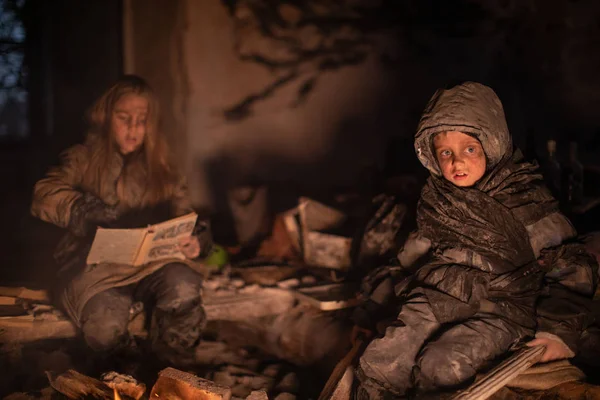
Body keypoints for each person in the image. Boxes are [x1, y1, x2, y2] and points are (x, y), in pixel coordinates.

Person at [354, 82, 598, 398]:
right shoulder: (439, 201)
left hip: (504, 307)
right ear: (431, 156)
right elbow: (412, 253)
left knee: (442, 365)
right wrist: (372, 304)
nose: (457, 163)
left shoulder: (525, 202)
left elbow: (570, 267)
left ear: (492, 144)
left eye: (469, 149)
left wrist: (558, 332)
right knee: (383, 359)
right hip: (439, 295)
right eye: (446, 153)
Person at [31, 75, 208, 363]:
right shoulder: (83, 158)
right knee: (104, 327)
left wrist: (196, 239)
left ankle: (171, 375)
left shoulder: (162, 167)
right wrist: (83, 209)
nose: (133, 129)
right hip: (95, 270)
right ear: (105, 116)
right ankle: (122, 381)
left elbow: (185, 214)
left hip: (153, 266)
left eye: (141, 120)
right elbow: (43, 193)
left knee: (184, 288)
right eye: (124, 118)